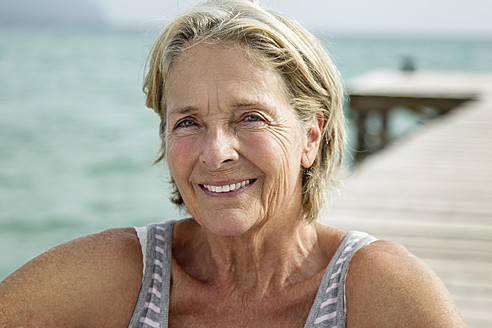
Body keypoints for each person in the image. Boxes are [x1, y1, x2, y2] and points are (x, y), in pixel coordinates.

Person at [0, 0, 465, 327]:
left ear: (311, 137)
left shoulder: (377, 291)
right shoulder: (124, 273)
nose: (215, 152)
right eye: (187, 122)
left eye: (250, 117)